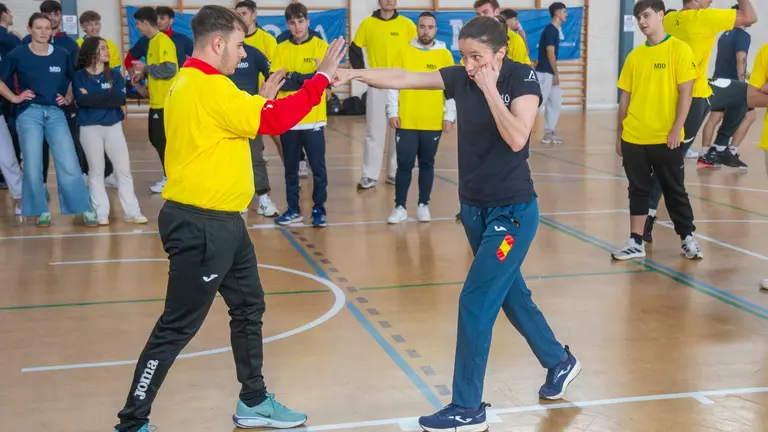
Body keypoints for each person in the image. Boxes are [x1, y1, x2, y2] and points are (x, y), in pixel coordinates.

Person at [333, 15, 580, 432]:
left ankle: (468, 408)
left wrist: (488, 90)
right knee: (509, 295)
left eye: (477, 58)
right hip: (475, 212)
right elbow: (405, 77)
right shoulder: (461, 76)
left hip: (512, 215)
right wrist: (353, 73)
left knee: (476, 300)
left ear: (500, 53)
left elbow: (518, 137)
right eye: (464, 57)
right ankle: (559, 360)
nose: (468, 66)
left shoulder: (522, 80)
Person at [111, 5, 347, 431]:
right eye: (239, 46)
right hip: (202, 225)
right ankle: (132, 422)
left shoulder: (193, 81)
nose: (243, 55)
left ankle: (253, 400)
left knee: (249, 306)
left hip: (226, 223)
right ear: (217, 43)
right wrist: (322, 79)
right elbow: (274, 122)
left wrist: (259, 100)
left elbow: (232, 122)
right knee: (176, 327)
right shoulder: (210, 87)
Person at [644, 0, 756, 241]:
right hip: (693, 99)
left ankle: (719, 148)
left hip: (696, 91)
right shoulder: (704, 17)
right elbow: (750, 17)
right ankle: (648, 217)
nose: (712, 1)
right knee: (670, 163)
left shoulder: (670, 20)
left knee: (746, 93)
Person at [611, 0, 702, 261]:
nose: (642, 21)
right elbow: (624, 100)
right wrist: (620, 136)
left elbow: (687, 93)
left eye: (647, 15)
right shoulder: (635, 56)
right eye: (638, 17)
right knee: (637, 189)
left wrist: (677, 129)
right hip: (634, 137)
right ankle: (636, 241)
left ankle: (687, 237)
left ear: (661, 15)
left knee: (674, 189)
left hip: (666, 137)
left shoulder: (679, 49)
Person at [0, 13, 97, 227]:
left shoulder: (61, 54)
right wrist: (15, 97)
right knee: (33, 165)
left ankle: (82, 208)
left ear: (52, 31)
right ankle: (40, 209)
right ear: (29, 29)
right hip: (29, 113)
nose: (44, 32)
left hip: (55, 113)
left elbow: (74, 78)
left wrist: (69, 96)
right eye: (39, 28)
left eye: (47, 28)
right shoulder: (18, 55)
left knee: (69, 162)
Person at [385, 11, 455, 224]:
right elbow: (393, 83)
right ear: (417, 28)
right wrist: (392, 111)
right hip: (407, 119)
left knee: (427, 163)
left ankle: (424, 204)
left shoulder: (444, 55)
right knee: (404, 164)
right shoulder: (403, 51)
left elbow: (451, 89)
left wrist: (449, 115)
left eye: (430, 27)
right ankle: (400, 207)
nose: (426, 31)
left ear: (436, 29)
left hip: (432, 120)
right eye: (422, 26)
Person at [73, 36, 147, 226]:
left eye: (107, 47)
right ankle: (101, 213)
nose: (107, 51)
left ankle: (132, 212)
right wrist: (105, 96)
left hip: (113, 127)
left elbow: (118, 100)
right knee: (95, 172)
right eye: (103, 48)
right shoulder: (79, 76)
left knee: (124, 170)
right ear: (92, 52)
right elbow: (82, 101)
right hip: (89, 129)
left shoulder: (115, 75)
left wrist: (94, 97)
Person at [272, 2, 330, 227]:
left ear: (308, 21)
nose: (297, 27)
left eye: (300, 21)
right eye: (292, 22)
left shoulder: (320, 46)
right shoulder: (280, 49)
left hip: (313, 119)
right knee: (290, 170)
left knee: (318, 168)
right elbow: (278, 82)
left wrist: (295, 78)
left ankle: (319, 209)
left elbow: (323, 79)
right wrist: (308, 78)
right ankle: (293, 209)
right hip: (289, 119)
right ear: (287, 24)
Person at [350, 0, 417, 190]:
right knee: (374, 130)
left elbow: (416, 51)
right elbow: (354, 49)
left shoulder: (407, 25)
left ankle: (394, 173)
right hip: (377, 82)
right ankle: (370, 175)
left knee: (399, 130)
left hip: (401, 83)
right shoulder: (368, 24)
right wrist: (363, 75)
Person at [226, 24, 280, 217]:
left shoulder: (255, 54)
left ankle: (264, 199)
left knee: (256, 157)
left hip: (250, 114)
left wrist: (266, 99)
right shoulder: (222, 56)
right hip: (226, 116)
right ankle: (237, 200)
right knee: (229, 159)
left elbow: (271, 75)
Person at [129, 6, 178, 194]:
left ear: (145, 23)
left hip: (167, 102)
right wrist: (143, 76)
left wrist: (146, 68)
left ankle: (171, 178)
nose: (137, 27)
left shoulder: (162, 41)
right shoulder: (152, 42)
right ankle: (171, 176)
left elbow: (170, 70)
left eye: (138, 24)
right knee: (157, 139)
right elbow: (157, 70)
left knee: (161, 140)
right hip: (157, 101)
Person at [698, 4, 753, 169]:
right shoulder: (743, 35)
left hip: (718, 82)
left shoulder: (724, 35)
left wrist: (748, 74)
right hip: (733, 86)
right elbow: (740, 58)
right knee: (751, 116)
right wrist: (742, 84)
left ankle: (705, 154)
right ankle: (728, 150)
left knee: (714, 119)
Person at [236, 0, 286, 166]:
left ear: (254, 15)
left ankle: (291, 170)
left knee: (278, 138)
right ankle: (257, 181)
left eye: (244, 13)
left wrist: (270, 98)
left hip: (265, 100)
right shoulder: (234, 40)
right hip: (244, 102)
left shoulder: (267, 40)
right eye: (238, 14)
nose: (240, 17)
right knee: (250, 142)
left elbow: (274, 71)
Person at [77, 10, 121, 187]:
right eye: (89, 24)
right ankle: (88, 173)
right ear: (83, 27)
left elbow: (115, 73)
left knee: (110, 142)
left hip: (108, 103)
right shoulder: (78, 44)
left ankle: (109, 174)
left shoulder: (110, 45)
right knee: (88, 142)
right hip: (87, 110)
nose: (93, 27)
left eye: (96, 23)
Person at [535, 2, 567, 144]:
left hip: (549, 73)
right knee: (537, 104)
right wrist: (556, 73)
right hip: (544, 73)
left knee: (555, 101)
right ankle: (520, 130)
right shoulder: (551, 30)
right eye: (564, 12)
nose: (566, 14)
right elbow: (550, 53)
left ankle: (549, 132)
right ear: (558, 13)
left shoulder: (555, 30)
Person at [473, 0, 530, 64]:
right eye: (478, 14)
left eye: (485, 12)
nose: (481, 17)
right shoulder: (473, 38)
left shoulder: (515, 39)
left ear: (496, 12)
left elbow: (523, 68)